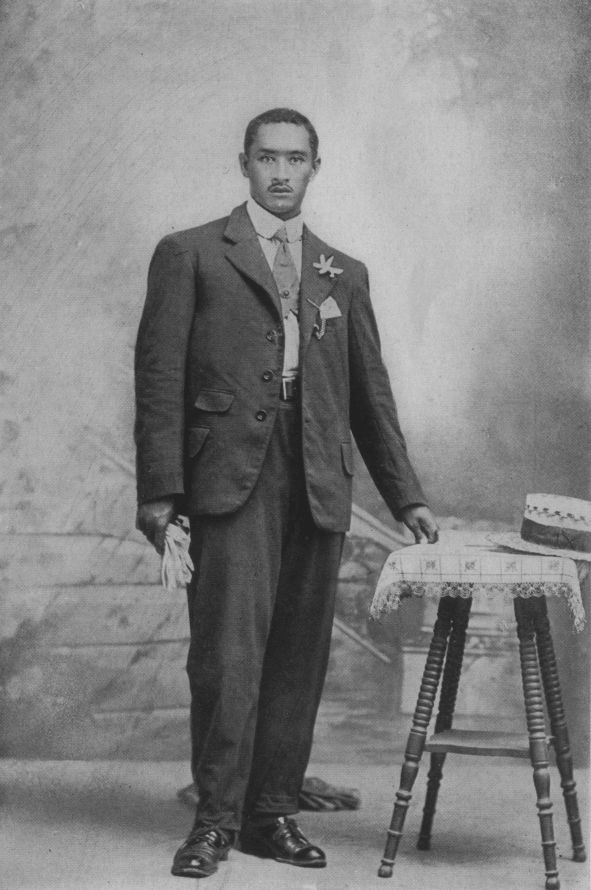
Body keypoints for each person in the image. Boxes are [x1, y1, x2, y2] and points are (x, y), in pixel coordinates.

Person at [134, 107, 438, 879]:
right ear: (244, 163)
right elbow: (159, 377)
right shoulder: (190, 253)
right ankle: (214, 821)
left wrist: (404, 497)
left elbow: (370, 396)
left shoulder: (343, 273)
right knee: (227, 658)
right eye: (267, 157)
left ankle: (269, 816)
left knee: (298, 660)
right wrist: (161, 491)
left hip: (316, 478)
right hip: (228, 480)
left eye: (294, 159)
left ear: (314, 168)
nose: (280, 172)